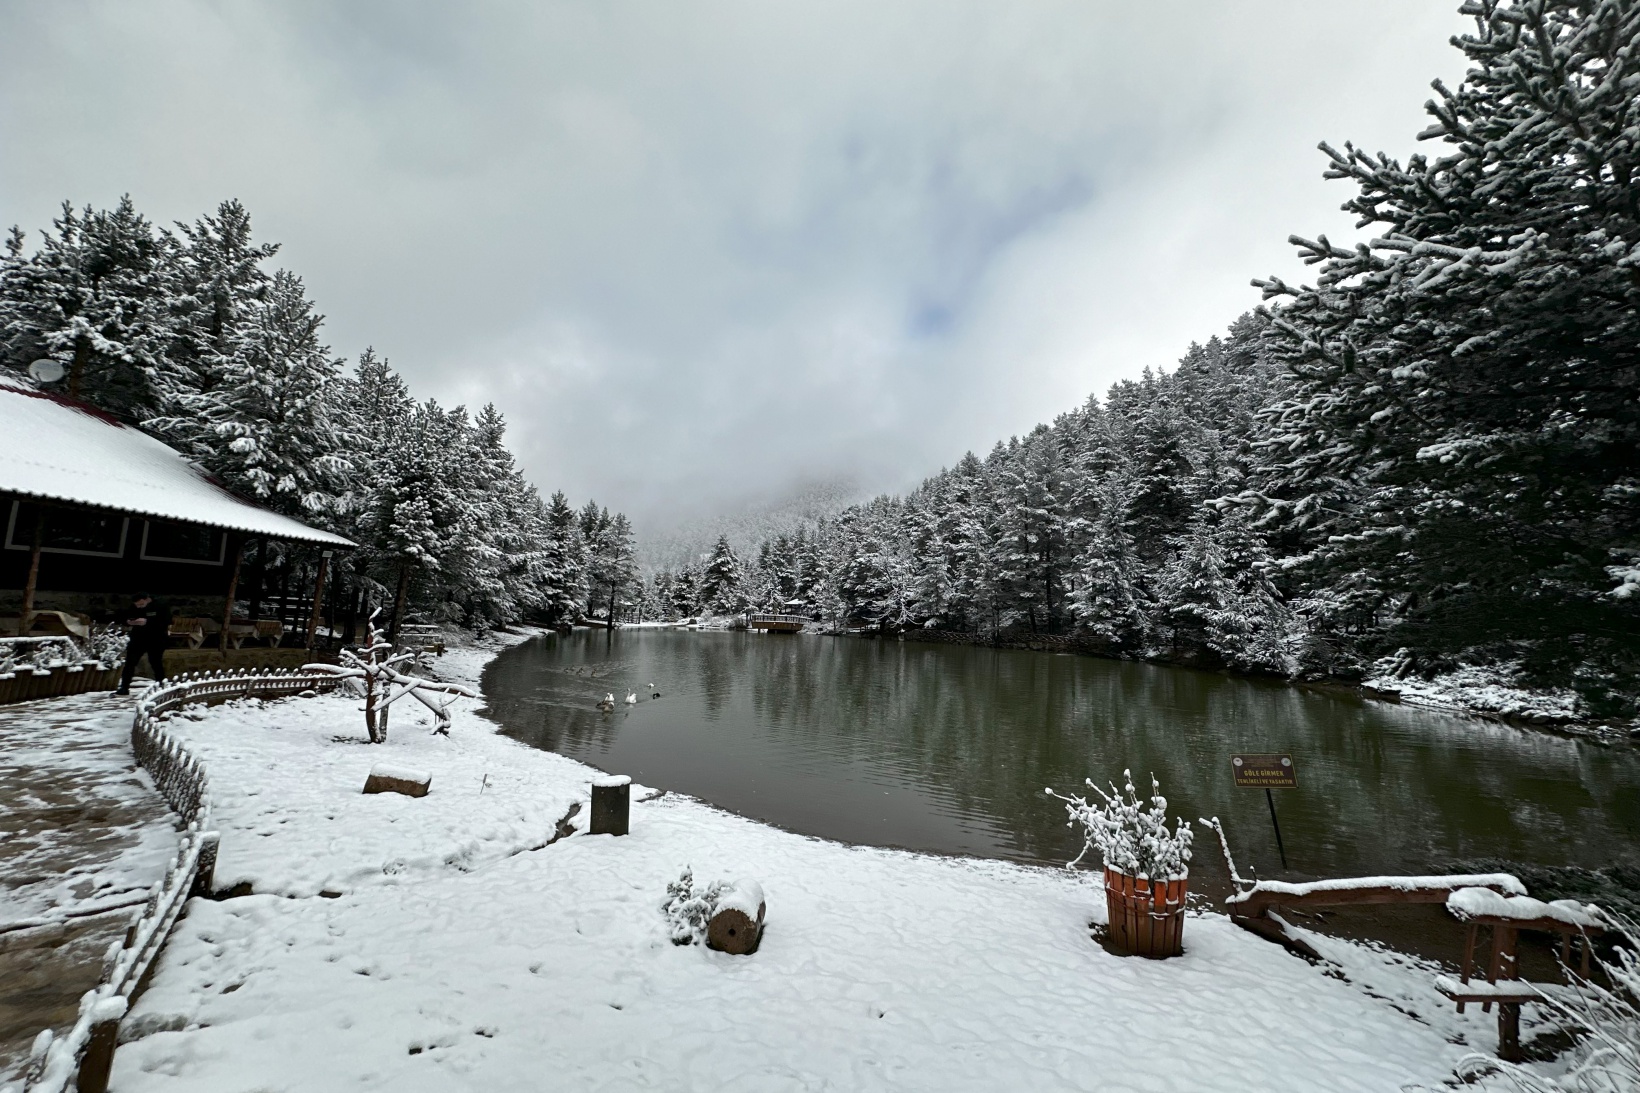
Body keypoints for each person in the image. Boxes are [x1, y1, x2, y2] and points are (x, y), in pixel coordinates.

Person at [115, 593, 171, 695]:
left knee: (155, 662)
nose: (139, 607)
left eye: (141, 604)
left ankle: (161, 685)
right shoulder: (134, 607)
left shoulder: (160, 605)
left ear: (147, 599)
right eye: (137, 605)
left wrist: (148, 621)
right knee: (130, 662)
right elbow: (124, 617)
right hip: (138, 638)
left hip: (156, 638)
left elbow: (167, 621)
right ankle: (124, 687)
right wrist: (129, 622)